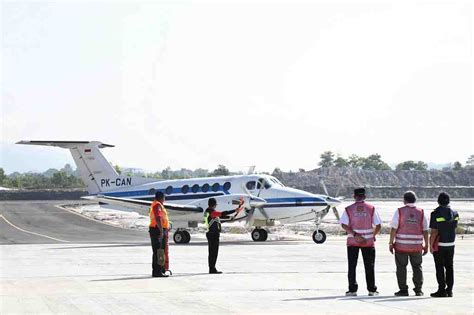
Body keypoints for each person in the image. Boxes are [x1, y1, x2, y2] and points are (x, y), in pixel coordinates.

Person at [340, 188, 382, 296]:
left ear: (354, 196)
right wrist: (372, 236)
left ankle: (352, 289)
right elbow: (378, 225)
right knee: (369, 266)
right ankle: (372, 289)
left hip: (352, 242)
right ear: (365, 196)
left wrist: (355, 235)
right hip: (368, 242)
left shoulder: (348, 209)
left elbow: (343, 224)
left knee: (352, 266)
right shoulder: (371, 208)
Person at [389, 191, 429, 296]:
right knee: (417, 267)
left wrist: (391, 242)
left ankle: (403, 290)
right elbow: (425, 230)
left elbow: (394, 228)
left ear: (404, 200)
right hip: (416, 246)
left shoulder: (399, 211)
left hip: (401, 246)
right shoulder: (421, 212)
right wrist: (426, 245)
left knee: (401, 267)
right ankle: (418, 290)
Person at [429, 192, 459, 297]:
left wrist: (431, 245)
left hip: (440, 244)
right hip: (451, 244)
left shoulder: (435, 213)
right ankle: (449, 290)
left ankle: (441, 290)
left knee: (440, 267)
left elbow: (434, 232)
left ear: (438, 201)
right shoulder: (455, 213)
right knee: (450, 267)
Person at [204, 197, 243, 274]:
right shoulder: (210, 211)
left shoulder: (209, 212)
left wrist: (230, 217)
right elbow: (221, 214)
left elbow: (218, 217)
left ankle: (212, 268)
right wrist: (235, 210)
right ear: (214, 205)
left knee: (212, 252)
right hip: (213, 234)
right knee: (213, 253)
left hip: (212, 233)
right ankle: (212, 269)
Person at [149, 191, 171, 277]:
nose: (164, 199)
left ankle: (158, 271)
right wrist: (161, 231)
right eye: (164, 197)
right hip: (157, 230)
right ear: (161, 197)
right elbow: (158, 218)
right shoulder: (157, 205)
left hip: (157, 229)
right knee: (159, 251)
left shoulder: (157, 204)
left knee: (159, 251)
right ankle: (157, 272)